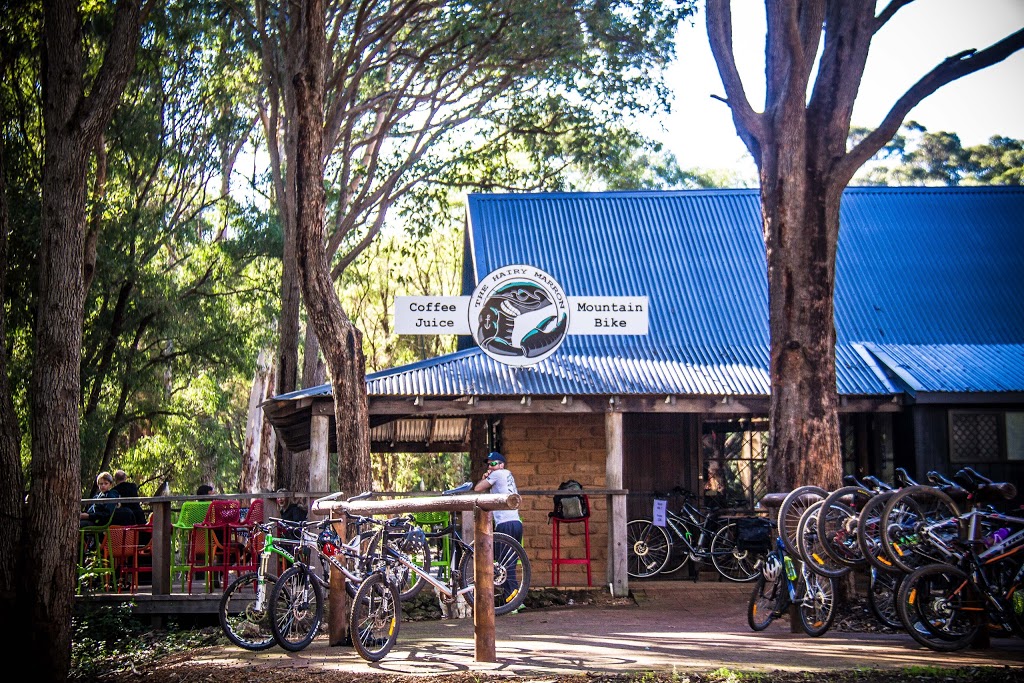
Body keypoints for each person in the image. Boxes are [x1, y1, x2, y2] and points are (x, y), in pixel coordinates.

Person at [473, 451, 523, 606]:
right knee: (510, 562)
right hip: (516, 522)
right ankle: (514, 599)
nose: (490, 466)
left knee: (504, 564)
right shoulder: (508, 475)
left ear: (501, 464)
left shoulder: (498, 473)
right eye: (489, 464)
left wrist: (485, 478)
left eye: (493, 463)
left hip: (505, 524)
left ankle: (512, 601)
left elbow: (477, 488)